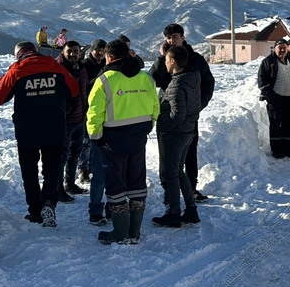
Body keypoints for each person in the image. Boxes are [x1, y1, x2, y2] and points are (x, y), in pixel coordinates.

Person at [0, 41, 79, 227]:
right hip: (54, 129)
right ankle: (49, 202)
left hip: (27, 132)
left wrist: (6, 77)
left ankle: (35, 211)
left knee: (29, 172)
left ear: (19, 55)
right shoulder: (55, 66)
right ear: (35, 51)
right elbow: (74, 89)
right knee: (52, 170)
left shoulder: (17, 70)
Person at [86, 39, 160, 245]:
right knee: (137, 183)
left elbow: (94, 113)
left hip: (112, 141)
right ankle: (134, 231)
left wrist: (96, 137)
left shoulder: (105, 80)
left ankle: (120, 232)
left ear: (109, 57)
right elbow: (155, 106)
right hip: (138, 139)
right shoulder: (146, 77)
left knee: (115, 184)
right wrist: (147, 128)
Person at [149, 23, 215, 203]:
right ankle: (168, 190)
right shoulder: (165, 59)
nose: (171, 41)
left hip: (189, 116)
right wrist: (161, 58)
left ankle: (191, 188)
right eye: (168, 38)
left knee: (189, 153)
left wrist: (197, 105)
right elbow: (153, 80)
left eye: (175, 37)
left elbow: (208, 84)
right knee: (166, 155)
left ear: (183, 38)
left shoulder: (196, 59)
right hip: (168, 114)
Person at [152, 45, 202, 228]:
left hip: (176, 133)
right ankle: (191, 210)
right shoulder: (192, 77)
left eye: (166, 59)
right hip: (188, 130)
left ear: (172, 61)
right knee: (179, 171)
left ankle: (174, 213)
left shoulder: (177, 84)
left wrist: (162, 126)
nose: (165, 63)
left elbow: (177, 114)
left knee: (170, 174)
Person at [54, 41, 88, 202]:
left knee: (75, 154)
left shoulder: (81, 68)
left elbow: (84, 91)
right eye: (70, 51)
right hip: (65, 121)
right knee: (61, 155)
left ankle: (70, 184)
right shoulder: (57, 69)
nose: (73, 54)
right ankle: (58, 188)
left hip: (80, 118)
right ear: (63, 51)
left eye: (76, 51)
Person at [257, 39, 290, 159]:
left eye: (284, 48)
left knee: (289, 124)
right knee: (276, 125)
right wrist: (272, 97)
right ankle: (276, 150)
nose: (282, 50)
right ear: (275, 48)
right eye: (279, 48)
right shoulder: (268, 62)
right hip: (275, 99)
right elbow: (262, 81)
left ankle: (286, 148)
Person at [78, 38, 107, 183]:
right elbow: (82, 88)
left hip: (105, 108)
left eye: (103, 50)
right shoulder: (84, 66)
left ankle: (96, 166)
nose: (100, 53)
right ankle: (83, 168)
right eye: (97, 50)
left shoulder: (108, 65)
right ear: (92, 51)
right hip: (87, 108)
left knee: (101, 140)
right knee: (86, 140)